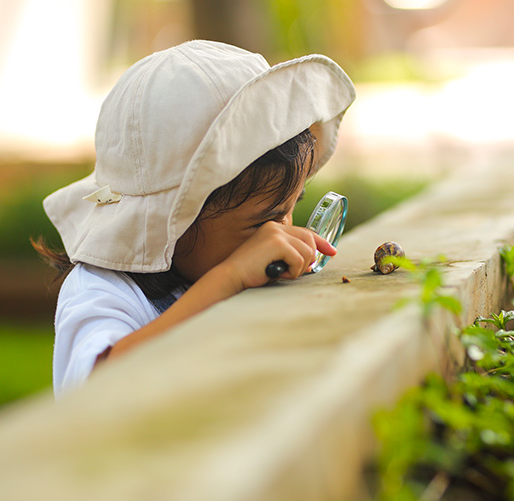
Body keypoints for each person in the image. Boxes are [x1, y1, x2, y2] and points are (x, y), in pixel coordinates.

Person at [35, 40, 355, 397]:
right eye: (262, 222)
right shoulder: (103, 290)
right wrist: (228, 279)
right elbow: (99, 385)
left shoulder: (211, 265)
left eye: (289, 209)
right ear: (170, 225)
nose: (277, 236)